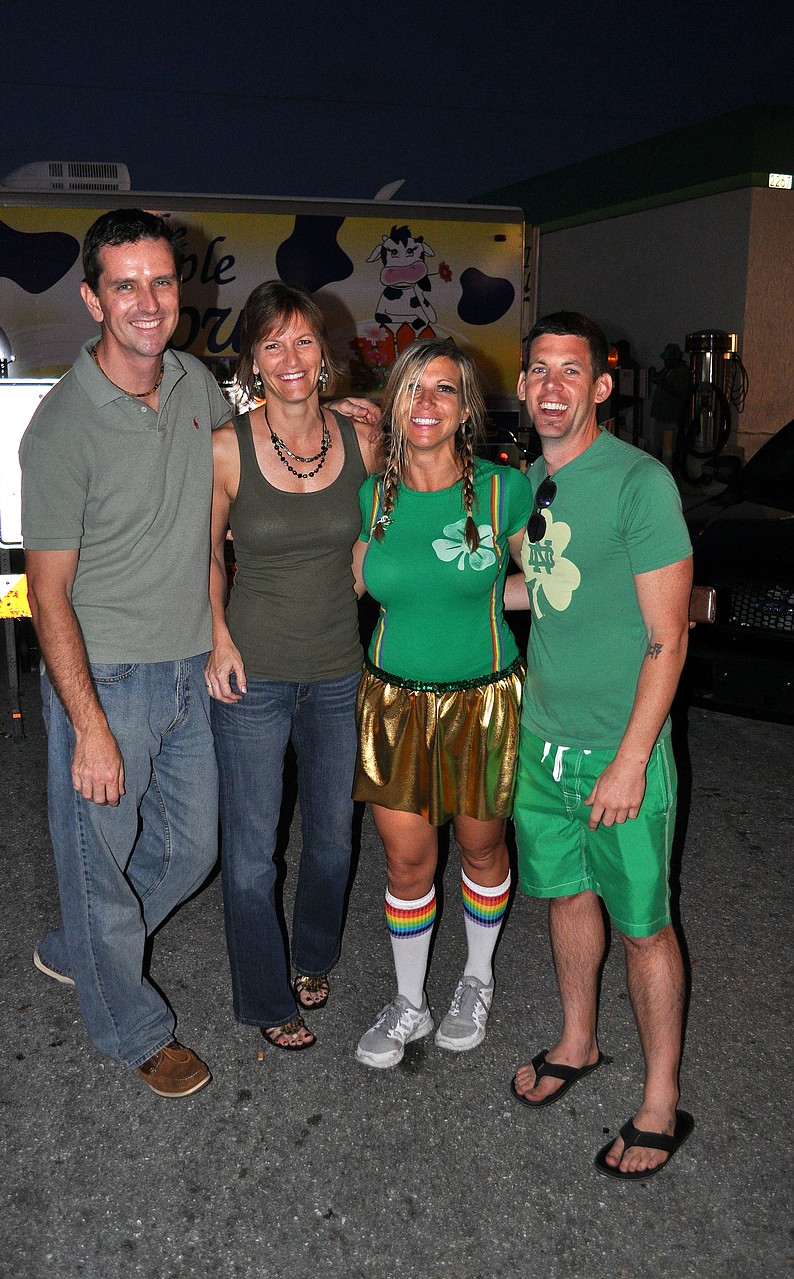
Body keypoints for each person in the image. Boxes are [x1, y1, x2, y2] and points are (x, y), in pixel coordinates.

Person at [20, 208, 231, 1096]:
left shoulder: (196, 387)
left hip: (188, 666)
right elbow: (47, 592)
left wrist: (218, 630)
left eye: (161, 281)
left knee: (192, 848)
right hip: (104, 678)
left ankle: (80, 946)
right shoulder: (65, 426)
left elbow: (218, 523)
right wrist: (89, 725)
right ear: (93, 299)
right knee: (98, 864)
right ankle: (132, 1028)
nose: (148, 301)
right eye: (125, 285)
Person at [506, 311, 695, 1179]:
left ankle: (661, 1100)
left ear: (601, 386)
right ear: (522, 385)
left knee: (646, 926)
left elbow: (669, 637)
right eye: (539, 370)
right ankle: (578, 1042)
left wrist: (628, 760)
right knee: (565, 897)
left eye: (570, 371)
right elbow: (540, 585)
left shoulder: (640, 483)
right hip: (541, 744)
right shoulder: (526, 485)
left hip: (622, 751)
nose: (552, 386)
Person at [206, 281, 378, 1051]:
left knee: (334, 838)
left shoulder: (359, 438)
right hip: (254, 672)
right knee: (249, 853)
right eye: (272, 344)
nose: (290, 358)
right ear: (252, 359)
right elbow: (207, 551)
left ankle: (313, 954)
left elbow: (374, 532)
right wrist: (216, 635)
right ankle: (265, 995)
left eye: (303, 340)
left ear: (324, 351)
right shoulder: (226, 445)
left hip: (340, 668)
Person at [351, 337, 531, 1069]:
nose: (425, 404)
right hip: (392, 703)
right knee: (406, 865)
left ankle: (477, 978)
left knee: (483, 847)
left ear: (465, 410)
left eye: (444, 391)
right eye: (413, 389)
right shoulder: (373, 494)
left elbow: (545, 582)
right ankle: (410, 1002)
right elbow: (357, 583)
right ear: (393, 400)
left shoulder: (502, 490)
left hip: (482, 700)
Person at [648, 342, 693, 462]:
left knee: (668, 450)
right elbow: (658, 377)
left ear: (675, 359)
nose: (665, 362)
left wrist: (662, 382)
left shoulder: (683, 372)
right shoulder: (668, 369)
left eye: (668, 360)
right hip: (661, 416)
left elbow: (680, 392)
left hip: (671, 418)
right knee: (657, 446)